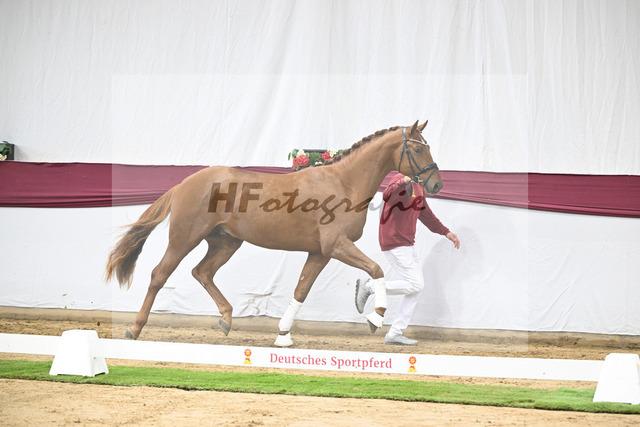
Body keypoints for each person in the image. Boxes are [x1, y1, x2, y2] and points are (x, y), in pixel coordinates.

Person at [356, 173, 460, 345]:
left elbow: (426, 214)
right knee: (416, 285)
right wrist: (404, 180)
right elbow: (387, 195)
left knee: (415, 288)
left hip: (407, 243)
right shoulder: (400, 178)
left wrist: (445, 232)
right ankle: (370, 286)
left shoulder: (419, 187)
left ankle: (395, 332)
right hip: (394, 241)